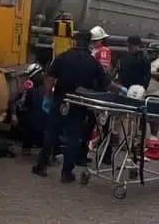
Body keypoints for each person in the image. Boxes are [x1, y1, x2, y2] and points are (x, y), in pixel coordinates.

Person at [31, 30, 113, 183]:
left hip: (61, 100)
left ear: (74, 42)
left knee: (52, 134)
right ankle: (67, 173)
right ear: (89, 44)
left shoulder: (62, 57)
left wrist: (48, 97)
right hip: (79, 104)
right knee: (74, 137)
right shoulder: (93, 62)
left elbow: (50, 77)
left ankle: (41, 166)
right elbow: (104, 84)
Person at [16, 63, 48, 154]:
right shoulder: (32, 87)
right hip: (39, 117)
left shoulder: (47, 86)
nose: (31, 79)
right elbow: (26, 103)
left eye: (33, 77)